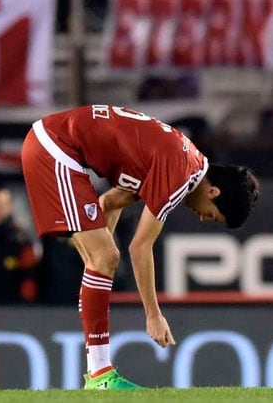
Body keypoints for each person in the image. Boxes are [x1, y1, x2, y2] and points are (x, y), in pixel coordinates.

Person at [20, 105, 259, 389]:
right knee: (106, 256)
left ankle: (98, 375)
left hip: (54, 142)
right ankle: (99, 378)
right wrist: (153, 315)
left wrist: (97, 269)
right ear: (213, 192)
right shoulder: (179, 176)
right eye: (213, 214)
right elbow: (140, 247)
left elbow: (108, 202)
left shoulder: (183, 159)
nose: (204, 218)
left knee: (103, 258)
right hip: (55, 148)